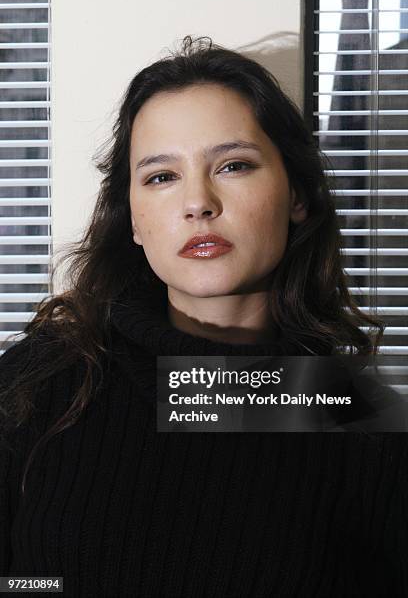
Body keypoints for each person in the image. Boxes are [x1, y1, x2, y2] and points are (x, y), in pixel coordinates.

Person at [0, 35, 407, 597]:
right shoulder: (39, 385)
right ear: (135, 222)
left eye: (234, 165)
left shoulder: (363, 426)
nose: (198, 202)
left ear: (297, 195)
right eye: (161, 176)